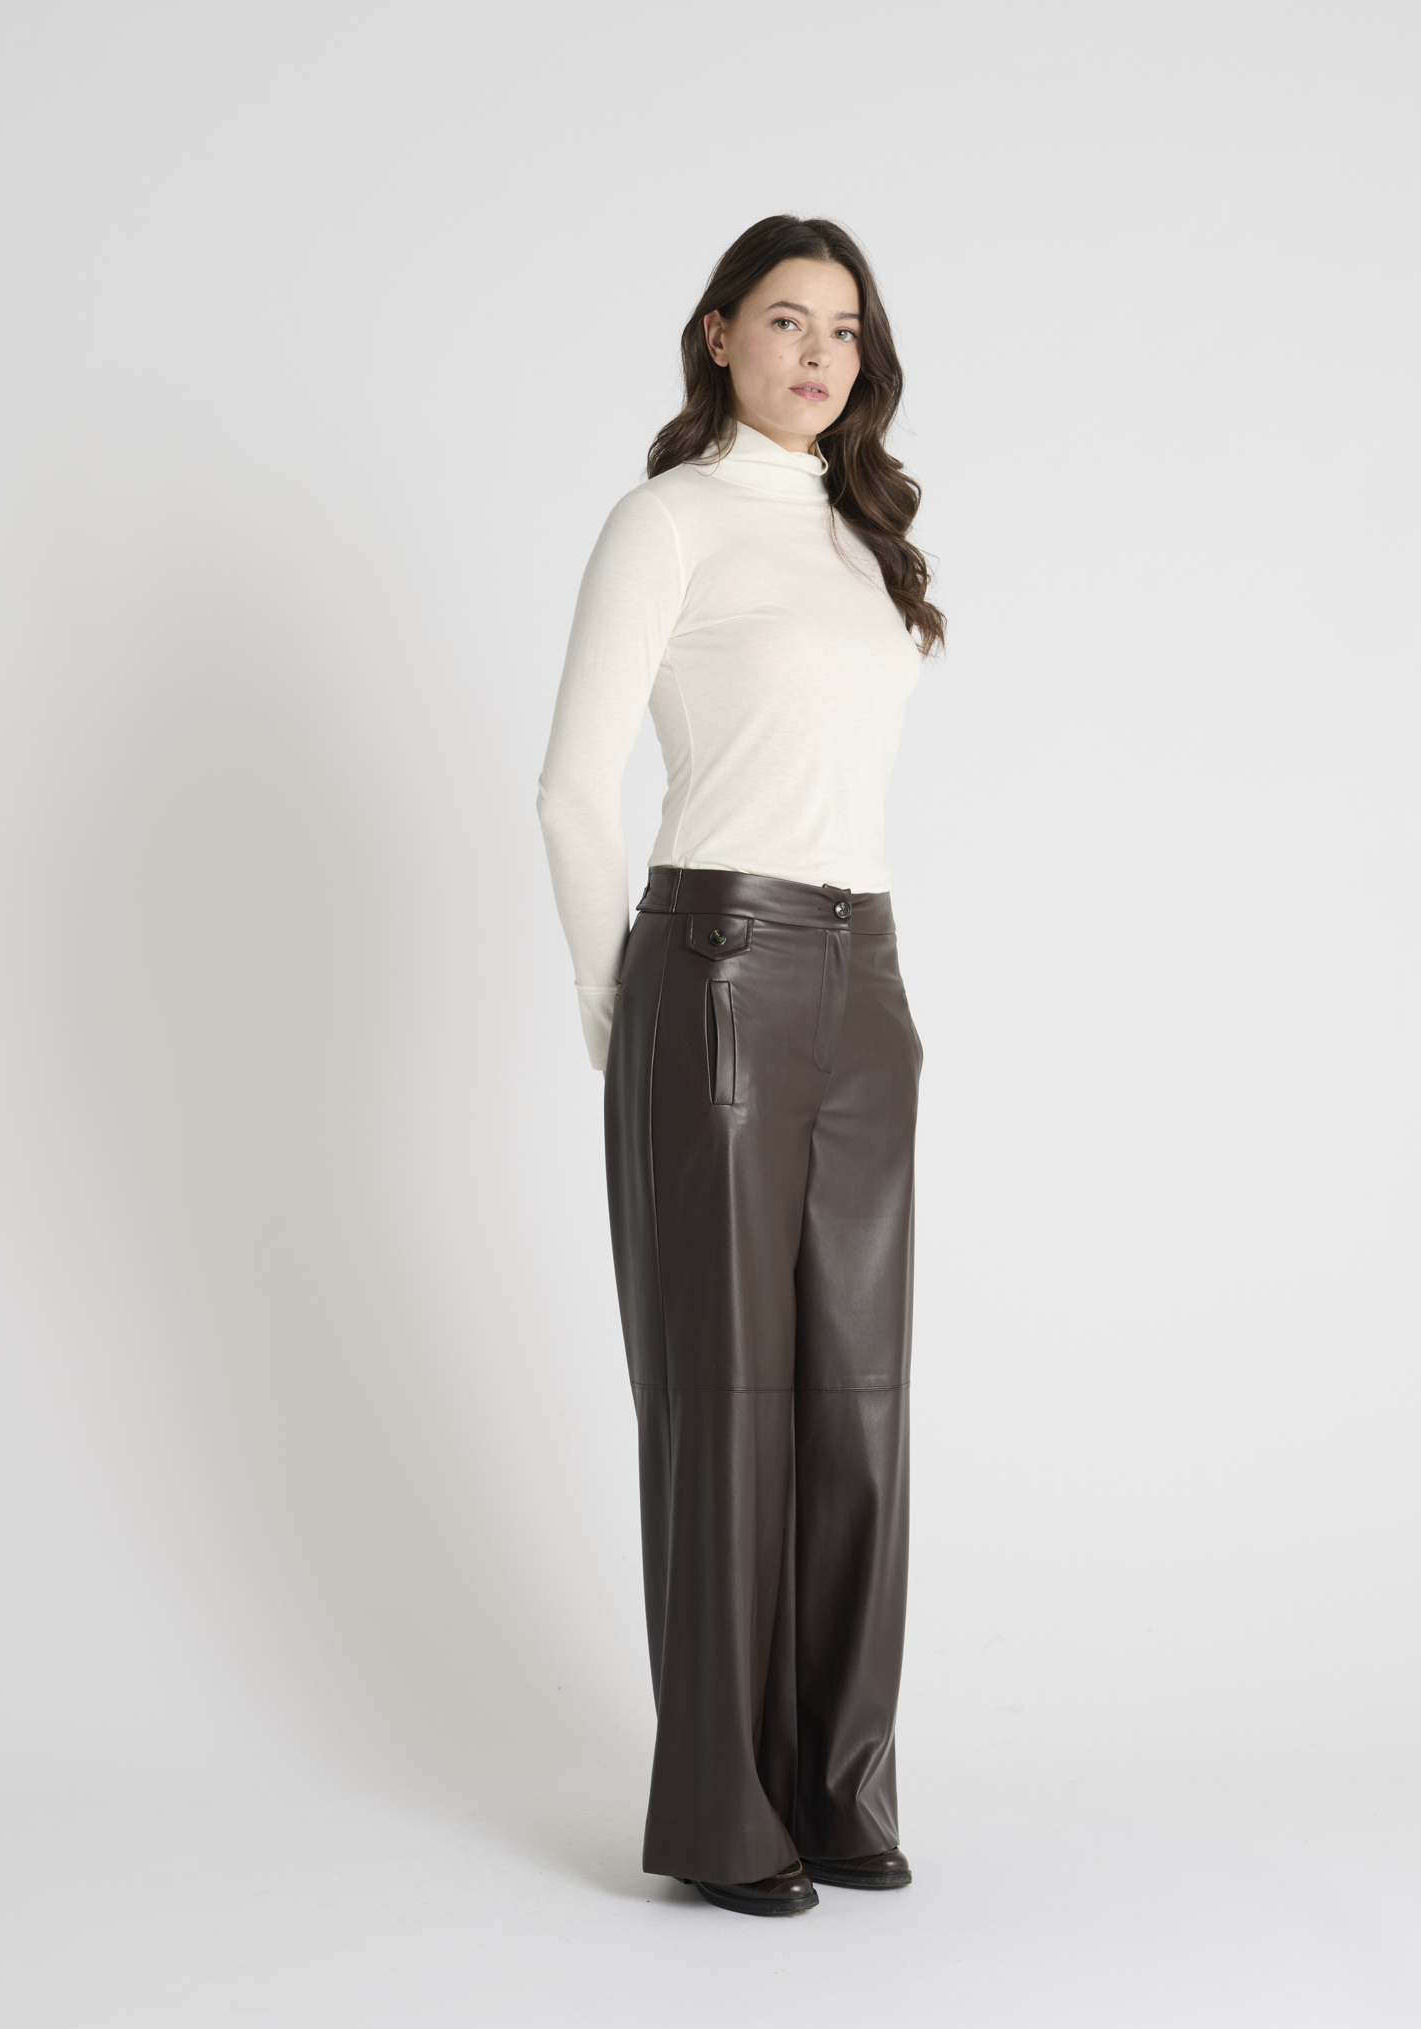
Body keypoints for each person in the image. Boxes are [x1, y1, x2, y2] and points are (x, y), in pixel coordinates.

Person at [536, 214, 942, 1918]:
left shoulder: (862, 535)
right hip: (714, 962)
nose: (818, 354)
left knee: (856, 1398)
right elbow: (572, 790)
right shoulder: (668, 521)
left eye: (843, 328)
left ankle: (838, 1781)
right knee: (725, 1401)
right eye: (786, 320)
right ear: (717, 334)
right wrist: (617, 1012)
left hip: (864, 971)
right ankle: (723, 1808)